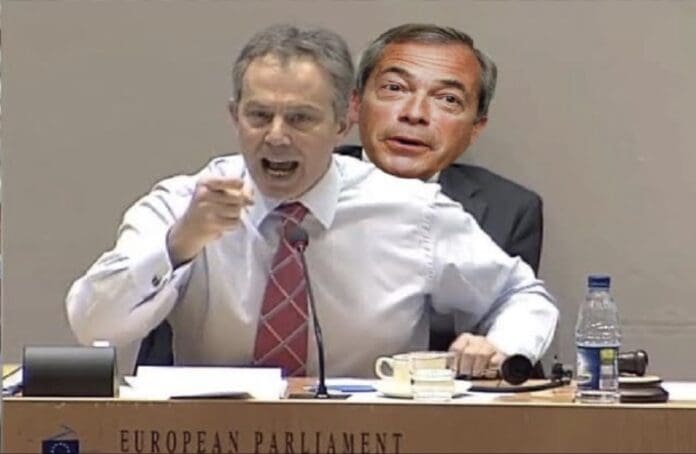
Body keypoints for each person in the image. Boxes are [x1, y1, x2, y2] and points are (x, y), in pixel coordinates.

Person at [66, 24, 558, 379]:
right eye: (259, 116)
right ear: (235, 116)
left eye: (301, 119)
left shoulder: (412, 211)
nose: (276, 137)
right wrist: (179, 245)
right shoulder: (184, 202)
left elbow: (523, 296)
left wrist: (501, 346)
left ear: (344, 121)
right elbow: (92, 324)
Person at [341, 23, 544, 353]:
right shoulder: (307, 183)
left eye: (448, 99)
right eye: (395, 88)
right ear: (355, 104)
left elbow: (506, 320)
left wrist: (498, 347)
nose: (415, 114)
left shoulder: (508, 209)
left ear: (475, 128)